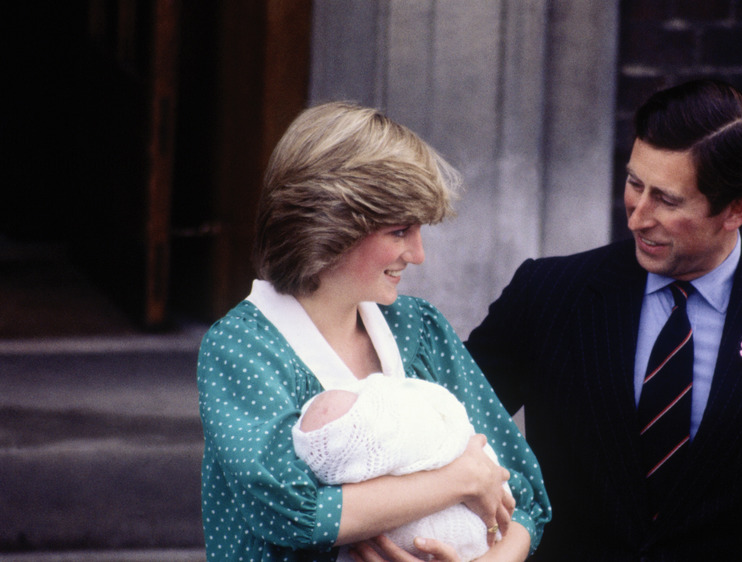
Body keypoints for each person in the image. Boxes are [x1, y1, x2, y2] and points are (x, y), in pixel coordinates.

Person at [465, 79, 742, 560]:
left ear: (736, 209)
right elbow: (444, 432)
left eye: (668, 200)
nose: (637, 216)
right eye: (635, 184)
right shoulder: (548, 293)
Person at [197, 101, 551, 562]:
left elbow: (523, 496)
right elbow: (294, 513)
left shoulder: (419, 328)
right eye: (400, 231)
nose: (418, 254)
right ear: (329, 225)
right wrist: (461, 478)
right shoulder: (242, 349)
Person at [292, 373, 512, 561]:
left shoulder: (420, 328)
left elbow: (528, 513)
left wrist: (491, 549)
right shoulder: (269, 369)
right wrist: (466, 477)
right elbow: (302, 515)